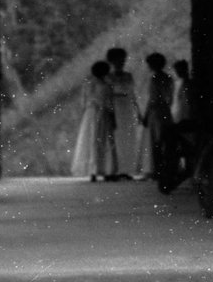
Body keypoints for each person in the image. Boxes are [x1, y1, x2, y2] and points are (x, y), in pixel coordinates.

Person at [69, 60, 119, 181]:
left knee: (92, 139)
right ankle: (106, 170)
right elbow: (109, 103)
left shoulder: (88, 84)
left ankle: (93, 171)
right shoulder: (107, 85)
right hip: (102, 113)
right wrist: (113, 117)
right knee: (104, 139)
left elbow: (84, 102)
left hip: (91, 113)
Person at [143, 52, 178, 189]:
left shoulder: (155, 79)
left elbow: (152, 99)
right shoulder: (168, 78)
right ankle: (162, 169)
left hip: (156, 112)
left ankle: (158, 170)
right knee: (163, 140)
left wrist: (146, 115)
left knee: (157, 141)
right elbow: (169, 97)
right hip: (164, 111)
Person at [105, 47, 140, 180]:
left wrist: (138, 112)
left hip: (128, 108)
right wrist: (110, 111)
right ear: (112, 61)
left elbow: (133, 95)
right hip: (115, 107)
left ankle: (126, 170)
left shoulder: (128, 76)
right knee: (116, 138)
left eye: (123, 59)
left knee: (128, 138)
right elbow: (106, 96)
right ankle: (113, 169)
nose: (121, 62)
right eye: (118, 60)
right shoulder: (108, 77)